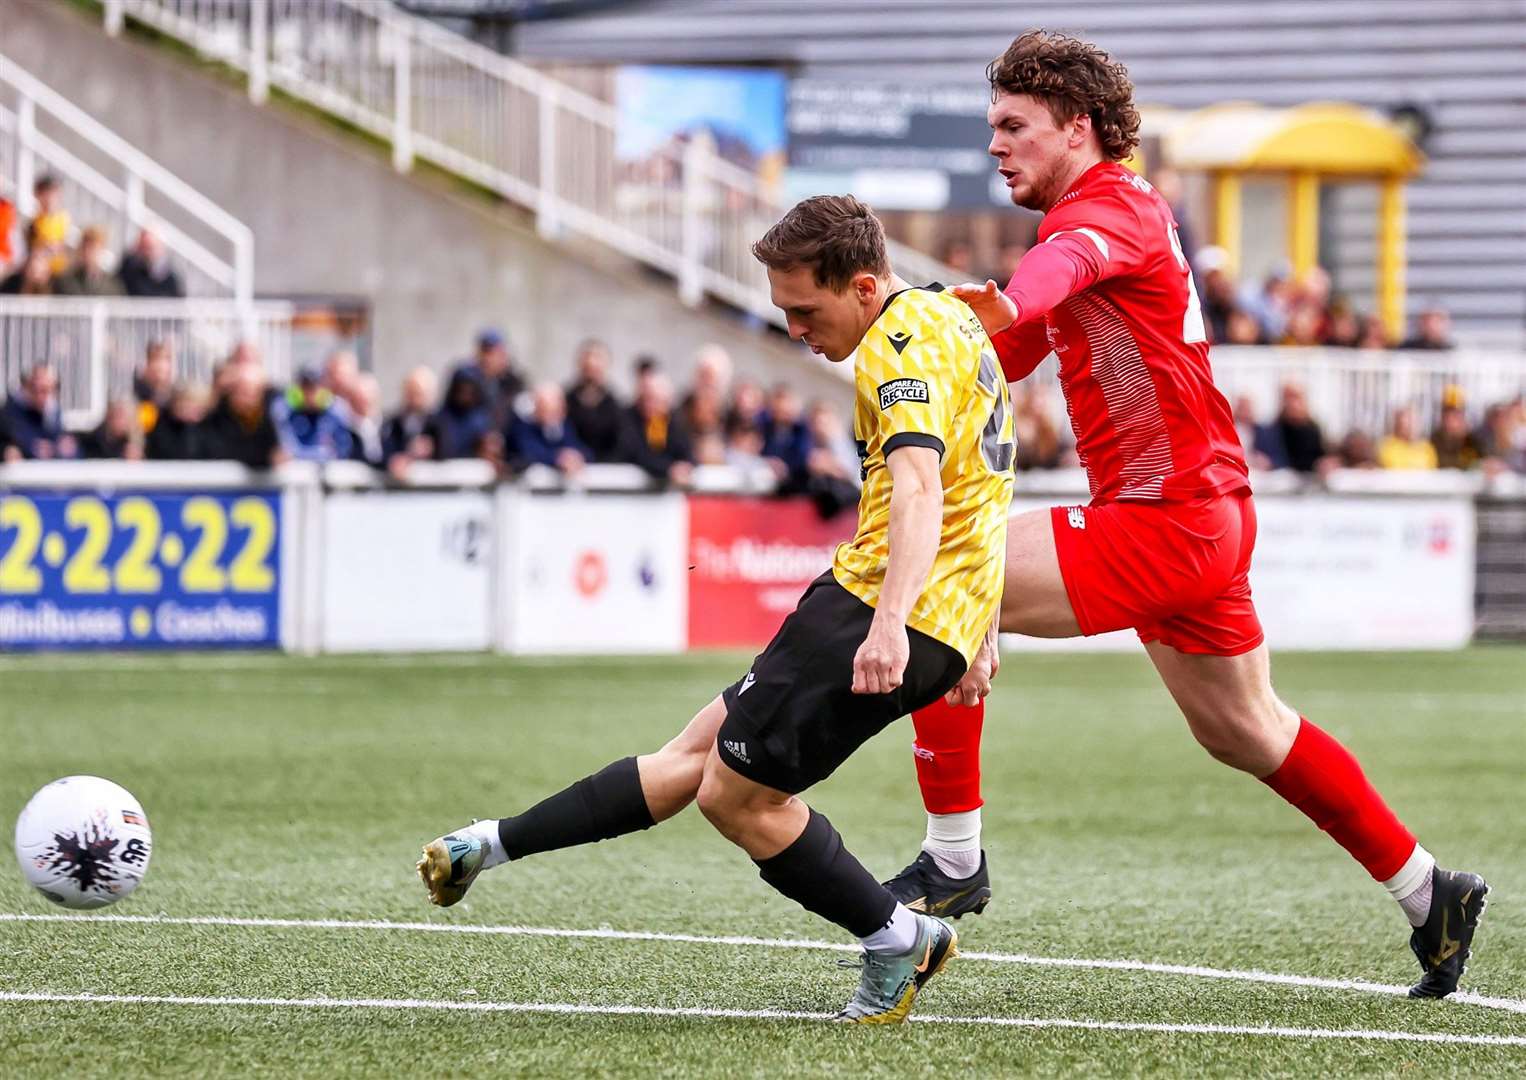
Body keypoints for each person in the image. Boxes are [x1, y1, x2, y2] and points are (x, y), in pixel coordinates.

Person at [936, 29, 1484, 999]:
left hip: (1165, 520)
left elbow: (1037, 295)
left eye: (1012, 125)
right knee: (1245, 730)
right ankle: (1426, 891)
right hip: (1196, 518)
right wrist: (915, 328)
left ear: (1078, 127)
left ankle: (951, 860)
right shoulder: (1087, 216)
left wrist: (997, 307)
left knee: (946, 574)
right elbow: (1008, 348)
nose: (994, 144)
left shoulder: (1103, 213)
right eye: (993, 126)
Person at [417, 195, 1015, 1023]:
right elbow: (981, 489)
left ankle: (896, 938)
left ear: (866, 285)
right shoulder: (954, 325)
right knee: (697, 755)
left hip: (878, 608)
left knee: (735, 798)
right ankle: (486, 845)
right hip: (921, 612)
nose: (795, 329)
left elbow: (919, 487)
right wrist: (978, 631)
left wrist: (887, 624)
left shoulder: (896, 345)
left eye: (805, 309)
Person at [200, 364, 285, 468]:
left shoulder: (267, 422)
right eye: (239, 391)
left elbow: (276, 452)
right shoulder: (215, 420)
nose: (245, 398)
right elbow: (218, 452)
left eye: (250, 392)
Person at [507, 382, 589, 477]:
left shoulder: (564, 426)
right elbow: (529, 453)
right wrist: (558, 458)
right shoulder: (522, 426)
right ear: (536, 408)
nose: (551, 416)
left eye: (556, 411)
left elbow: (578, 447)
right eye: (546, 410)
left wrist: (577, 456)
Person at [564, 339, 625, 462]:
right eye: (587, 357)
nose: (591, 363)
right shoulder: (565, 401)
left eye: (597, 358)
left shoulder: (616, 406)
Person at [1, 365, 76, 459]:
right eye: (34, 389)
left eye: (45, 390)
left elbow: (61, 441)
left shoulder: (53, 410)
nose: (40, 396)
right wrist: (32, 447)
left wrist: (64, 446)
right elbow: (16, 439)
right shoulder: (10, 411)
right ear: (25, 387)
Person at [380, 366, 438, 479]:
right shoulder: (392, 424)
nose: (414, 398)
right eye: (410, 392)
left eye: (418, 393)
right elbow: (383, 453)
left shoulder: (441, 423)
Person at [54, 226, 124, 296]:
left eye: (93, 248)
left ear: (102, 250)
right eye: (85, 248)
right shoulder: (65, 282)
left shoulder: (113, 286)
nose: (88, 253)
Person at [117, 228, 185, 298]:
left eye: (149, 247)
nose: (146, 252)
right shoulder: (131, 266)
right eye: (143, 246)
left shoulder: (170, 278)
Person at [1376, 405, 1438, 470]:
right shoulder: (1387, 447)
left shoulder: (1427, 449)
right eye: (1407, 422)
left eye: (1414, 422)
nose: (1411, 427)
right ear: (1399, 424)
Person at [78, 399, 143, 460]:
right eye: (116, 416)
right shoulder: (94, 439)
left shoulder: (131, 442)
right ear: (109, 417)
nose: (119, 421)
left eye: (122, 417)